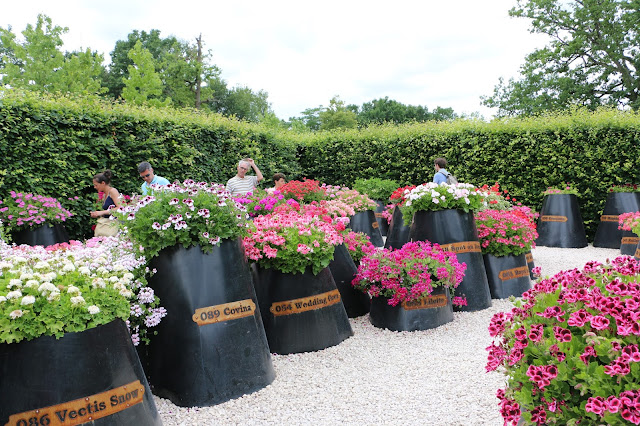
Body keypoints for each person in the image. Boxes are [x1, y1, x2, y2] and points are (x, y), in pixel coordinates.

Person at [90, 170, 122, 237]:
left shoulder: (113, 191)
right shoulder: (105, 195)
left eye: (96, 185)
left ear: (103, 183)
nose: (94, 187)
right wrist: (97, 214)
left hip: (114, 226)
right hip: (108, 225)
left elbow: (120, 208)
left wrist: (102, 212)